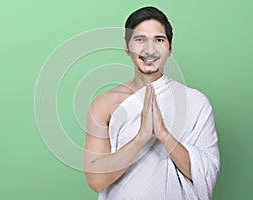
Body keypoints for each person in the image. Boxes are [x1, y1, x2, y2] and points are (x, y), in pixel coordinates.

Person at [83, 6, 220, 200]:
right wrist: (141, 137)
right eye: (140, 39)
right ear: (127, 46)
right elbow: (96, 180)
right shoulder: (104, 104)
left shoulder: (196, 103)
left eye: (159, 40)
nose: (150, 50)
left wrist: (163, 134)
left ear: (170, 48)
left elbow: (206, 174)